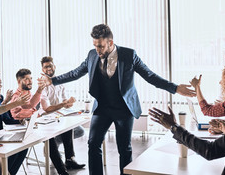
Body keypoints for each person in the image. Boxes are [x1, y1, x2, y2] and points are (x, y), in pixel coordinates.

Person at [42, 24, 196, 175]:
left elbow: (150, 76)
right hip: (102, 108)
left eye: (101, 46)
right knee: (93, 143)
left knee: (124, 148)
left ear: (110, 42)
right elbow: (75, 73)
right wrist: (53, 80)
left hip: (124, 108)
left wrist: (175, 88)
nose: (98, 50)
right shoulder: (92, 55)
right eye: (95, 45)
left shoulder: (129, 55)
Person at [11, 68, 70, 175]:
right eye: (26, 79)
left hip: (32, 126)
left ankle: (67, 163)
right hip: (20, 130)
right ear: (19, 81)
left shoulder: (28, 93)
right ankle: (62, 171)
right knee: (50, 139)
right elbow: (29, 106)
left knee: (59, 131)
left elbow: (31, 107)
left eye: (31, 78)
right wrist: (39, 91)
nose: (30, 81)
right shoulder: (16, 96)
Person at [40, 56, 85, 170]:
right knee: (67, 129)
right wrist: (63, 105)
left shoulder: (60, 81)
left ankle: (69, 159)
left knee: (79, 130)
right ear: (42, 69)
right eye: (46, 67)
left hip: (59, 117)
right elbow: (47, 109)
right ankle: (51, 145)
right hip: (47, 119)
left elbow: (65, 102)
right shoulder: (42, 84)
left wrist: (69, 102)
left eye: (50, 65)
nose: (49, 68)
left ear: (54, 66)